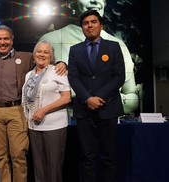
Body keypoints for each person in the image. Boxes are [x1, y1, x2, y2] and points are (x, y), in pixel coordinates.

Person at [0, 25, 67, 182]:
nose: (2, 42)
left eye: (6, 38)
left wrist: (62, 63)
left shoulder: (25, 57)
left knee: (18, 155)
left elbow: (44, 59)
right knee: (0, 156)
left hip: (16, 111)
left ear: (12, 40)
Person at [39, 0, 139, 115]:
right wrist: (86, 98)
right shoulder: (51, 40)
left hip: (107, 114)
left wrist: (102, 98)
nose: (94, 0)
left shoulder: (117, 44)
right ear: (72, 4)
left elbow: (131, 96)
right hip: (70, 118)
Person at [68, 10, 125, 182]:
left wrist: (98, 97)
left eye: (93, 22)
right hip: (84, 111)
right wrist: (87, 98)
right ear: (82, 28)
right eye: (86, 23)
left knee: (108, 157)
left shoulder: (113, 47)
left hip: (108, 108)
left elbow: (119, 77)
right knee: (88, 157)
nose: (90, 25)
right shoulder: (75, 50)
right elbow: (73, 78)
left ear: (101, 25)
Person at [22, 40, 71, 182]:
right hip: (34, 126)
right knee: (39, 166)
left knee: (53, 167)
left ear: (51, 56)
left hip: (54, 126)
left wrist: (44, 110)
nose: (41, 54)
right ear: (34, 54)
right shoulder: (29, 75)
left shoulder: (57, 71)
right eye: (39, 51)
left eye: (46, 52)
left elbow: (66, 98)